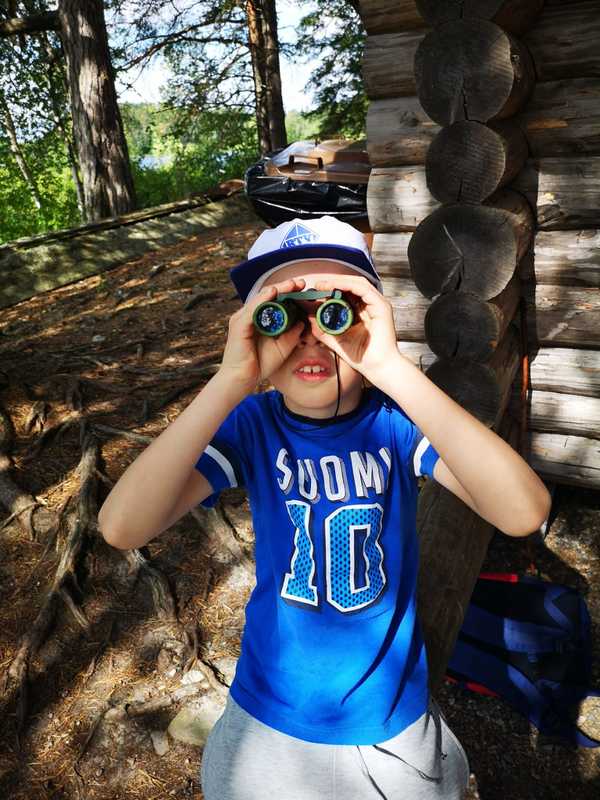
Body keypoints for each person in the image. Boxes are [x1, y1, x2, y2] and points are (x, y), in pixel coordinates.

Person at [98, 216, 552, 800]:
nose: (311, 338)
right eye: (285, 315)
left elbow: (523, 510)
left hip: (391, 726)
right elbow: (122, 526)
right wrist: (231, 379)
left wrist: (387, 367)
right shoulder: (252, 426)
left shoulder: (395, 422)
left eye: (334, 312)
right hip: (268, 724)